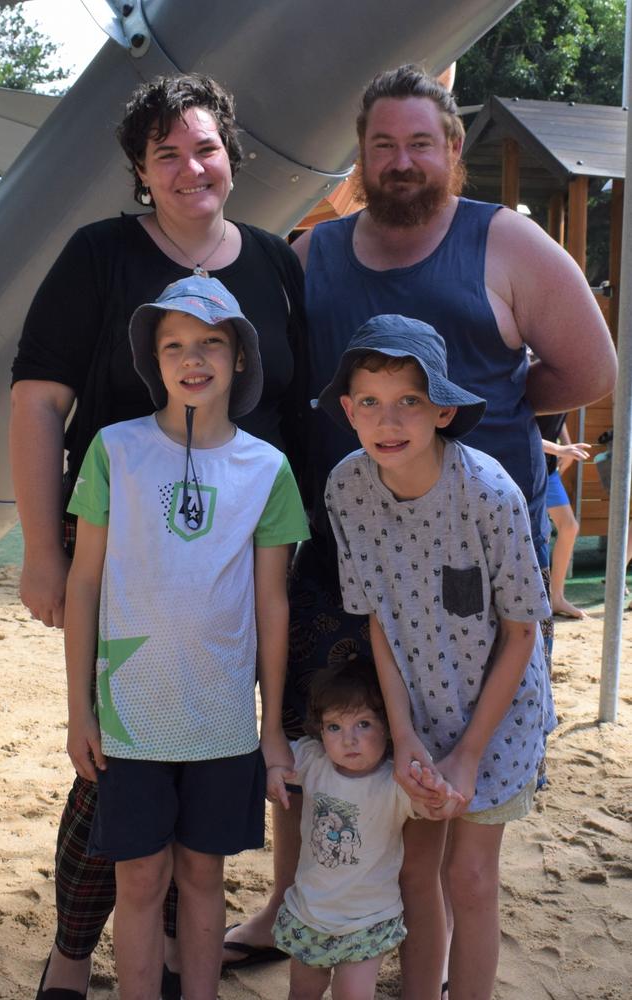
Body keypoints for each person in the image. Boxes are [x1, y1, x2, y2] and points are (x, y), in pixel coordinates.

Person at [223, 63, 617, 976]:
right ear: (359, 160)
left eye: (420, 143)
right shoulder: (319, 252)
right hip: (347, 543)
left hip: (471, 555)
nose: (401, 161)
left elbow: (588, 370)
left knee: (448, 814)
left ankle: (424, 957)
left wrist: (493, 421)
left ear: (452, 153)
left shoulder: (505, 244)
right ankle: (300, 901)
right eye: (381, 146)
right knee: (328, 738)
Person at [10, 73, 307, 999]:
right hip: (121, 552)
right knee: (111, 779)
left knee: (197, 814)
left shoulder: (270, 260)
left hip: (240, 548)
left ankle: (185, 962)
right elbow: (37, 401)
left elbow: (292, 402)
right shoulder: (99, 254)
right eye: (166, 152)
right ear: (141, 169)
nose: (191, 167)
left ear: (232, 153)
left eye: (206, 146)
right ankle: (69, 951)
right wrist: (44, 550)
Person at [64, 274, 309, 999]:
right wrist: (79, 709)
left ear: (240, 358)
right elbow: (83, 584)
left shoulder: (268, 468)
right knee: (140, 877)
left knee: (204, 874)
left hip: (223, 720)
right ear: (153, 358)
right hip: (131, 716)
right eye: (173, 344)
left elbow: (272, 603)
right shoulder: (115, 450)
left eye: (210, 342)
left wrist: (270, 729)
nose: (191, 357)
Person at [320, 314, 556, 1000]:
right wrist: (405, 736)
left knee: (471, 878)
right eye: (370, 401)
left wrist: (469, 755)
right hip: (414, 708)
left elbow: (521, 633)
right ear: (347, 410)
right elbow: (379, 627)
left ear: (443, 409)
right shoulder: (346, 489)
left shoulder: (488, 493)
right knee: (414, 872)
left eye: (409, 401)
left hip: (497, 713)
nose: (388, 419)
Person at [268, 658, 456, 1000]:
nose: (348, 740)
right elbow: (276, 762)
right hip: (310, 913)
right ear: (320, 731)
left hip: (368, 920)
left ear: (388, 726)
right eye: (334, 727)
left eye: (363, 724)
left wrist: (439, 794)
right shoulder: (312, 761)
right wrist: (272, 774)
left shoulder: (396, 783)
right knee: (302, 991)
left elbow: (431, 807)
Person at [537, 414, 591, 619]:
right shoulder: (531, 386)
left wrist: (567, 445)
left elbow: (558, 417)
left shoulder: (562, 389)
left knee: (569, 527)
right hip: (523, 466)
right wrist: (560, 449)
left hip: (548, 470)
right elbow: (520, 431)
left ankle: (556, 598)